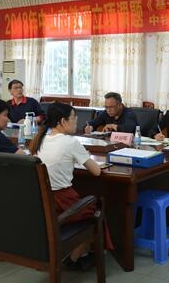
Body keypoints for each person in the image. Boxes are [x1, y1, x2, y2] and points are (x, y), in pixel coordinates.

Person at [31, 102, 113, 269]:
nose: (77, 122)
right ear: (62, 121)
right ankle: (75, 258)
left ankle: (77, 253)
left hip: (42, 202)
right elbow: (96, 171)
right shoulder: (70, 142)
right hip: (62, 201)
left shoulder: (39, 139)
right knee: (95, 211)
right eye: (74, 118)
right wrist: (83, 156)